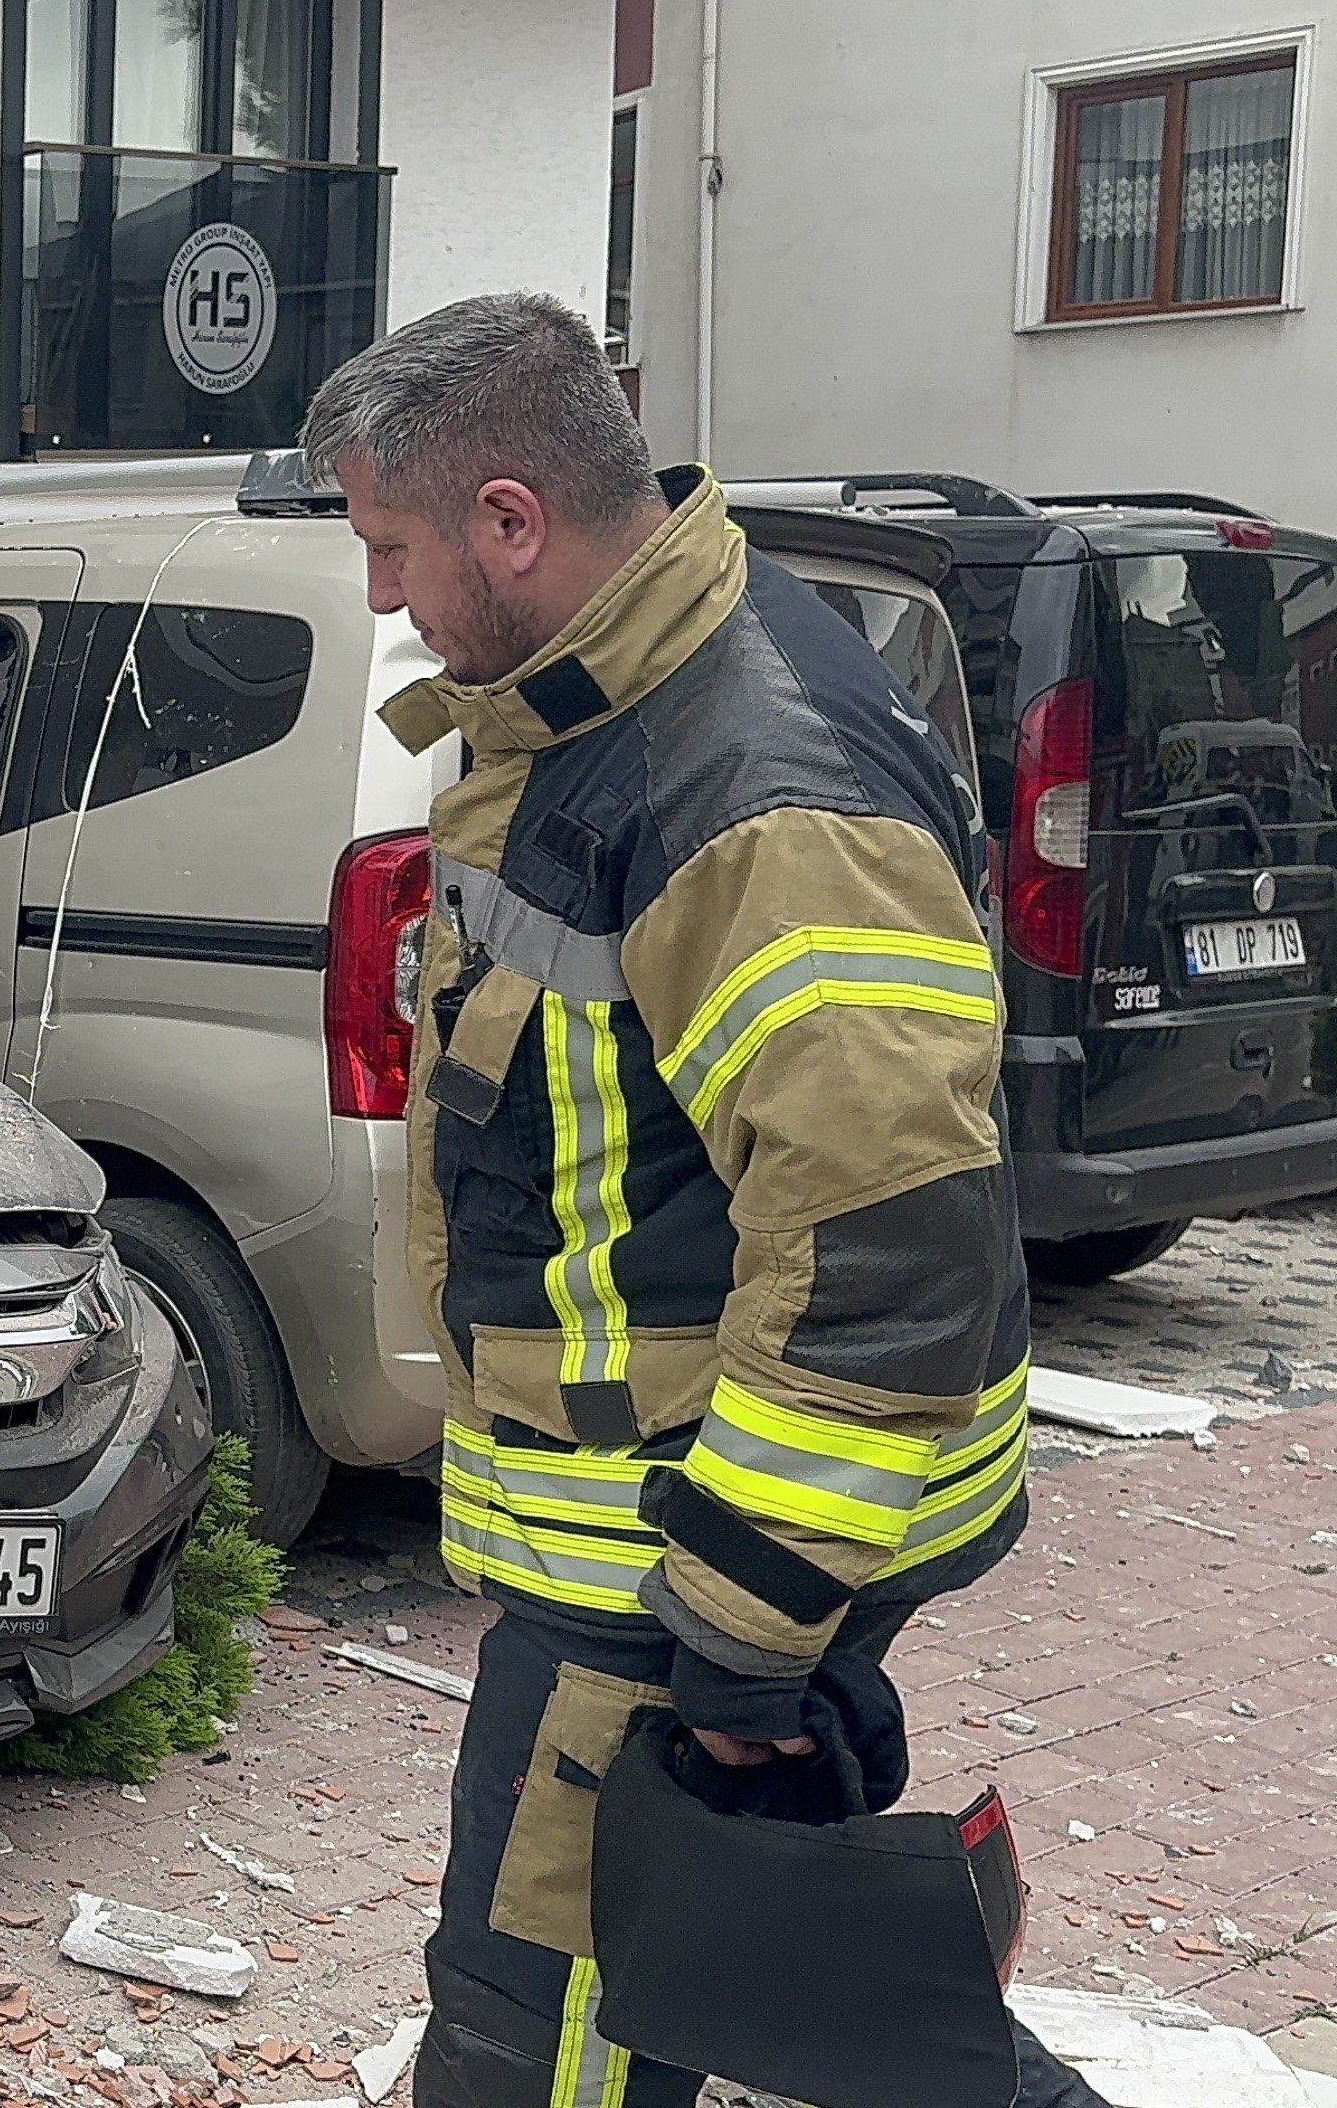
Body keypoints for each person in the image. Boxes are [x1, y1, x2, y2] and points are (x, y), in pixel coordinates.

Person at [298, 295, 1094, 2108]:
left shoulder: (752, 787)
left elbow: (888, 1252)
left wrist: (742, 1625)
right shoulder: (606, 699)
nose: (386, 601)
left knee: (541, 2023)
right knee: (747, 1952)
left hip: (683, 1553)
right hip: (659, 1534)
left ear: (512, 519)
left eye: (394, 549)